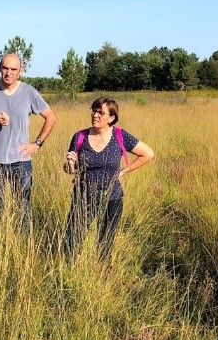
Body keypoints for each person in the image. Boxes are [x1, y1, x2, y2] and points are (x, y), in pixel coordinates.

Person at [63, 97, 154, 260]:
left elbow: (148, 154)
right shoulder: (80, 137)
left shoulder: (120, 136)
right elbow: (71, 170)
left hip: (112, 198)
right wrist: (70, 164)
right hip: (83, 196)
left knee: (105, 241)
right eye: (94, 111)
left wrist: (124, 171)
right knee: (72, 239)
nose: (95, 115)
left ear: (111, 118)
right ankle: (70, 271)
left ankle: (102, 274)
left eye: (101, 112)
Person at [0, 53, 56, 225]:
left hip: (21, 161)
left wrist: (37, 143)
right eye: (5, 68)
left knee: (22, 209)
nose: (8, 73)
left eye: (13, 69)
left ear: (20, 71)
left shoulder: (29, 92)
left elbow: (50, 117)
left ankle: (23, 246)